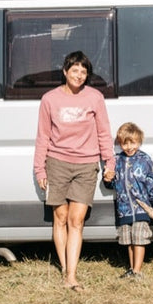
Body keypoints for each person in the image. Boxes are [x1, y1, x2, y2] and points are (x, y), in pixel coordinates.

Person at [34, 51, 115, 291]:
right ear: (65, 71)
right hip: (57, 163)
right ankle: (65, 270)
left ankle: (72, 274)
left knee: (76, 220)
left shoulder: (95, 98)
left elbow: (103, 132)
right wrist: (40, 169)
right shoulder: (49, 99)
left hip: (86, 165)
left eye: (83, 71)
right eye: (75, 70)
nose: (79, 75)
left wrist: (109, 162)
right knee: (60, 218)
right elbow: (43, 136)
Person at [110, 122, 153, 280]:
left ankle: (138, 271)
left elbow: (152, 184)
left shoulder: (144, 160)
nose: (129, 147)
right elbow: (112, 182)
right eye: (125, 143)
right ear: (120, 144)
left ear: (139, 142)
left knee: (139, 238)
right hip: (124, 208)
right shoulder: (117, 161)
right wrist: (107, 179)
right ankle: (132, 269)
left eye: (132, 142)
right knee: (129, 240)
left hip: (142, 208)